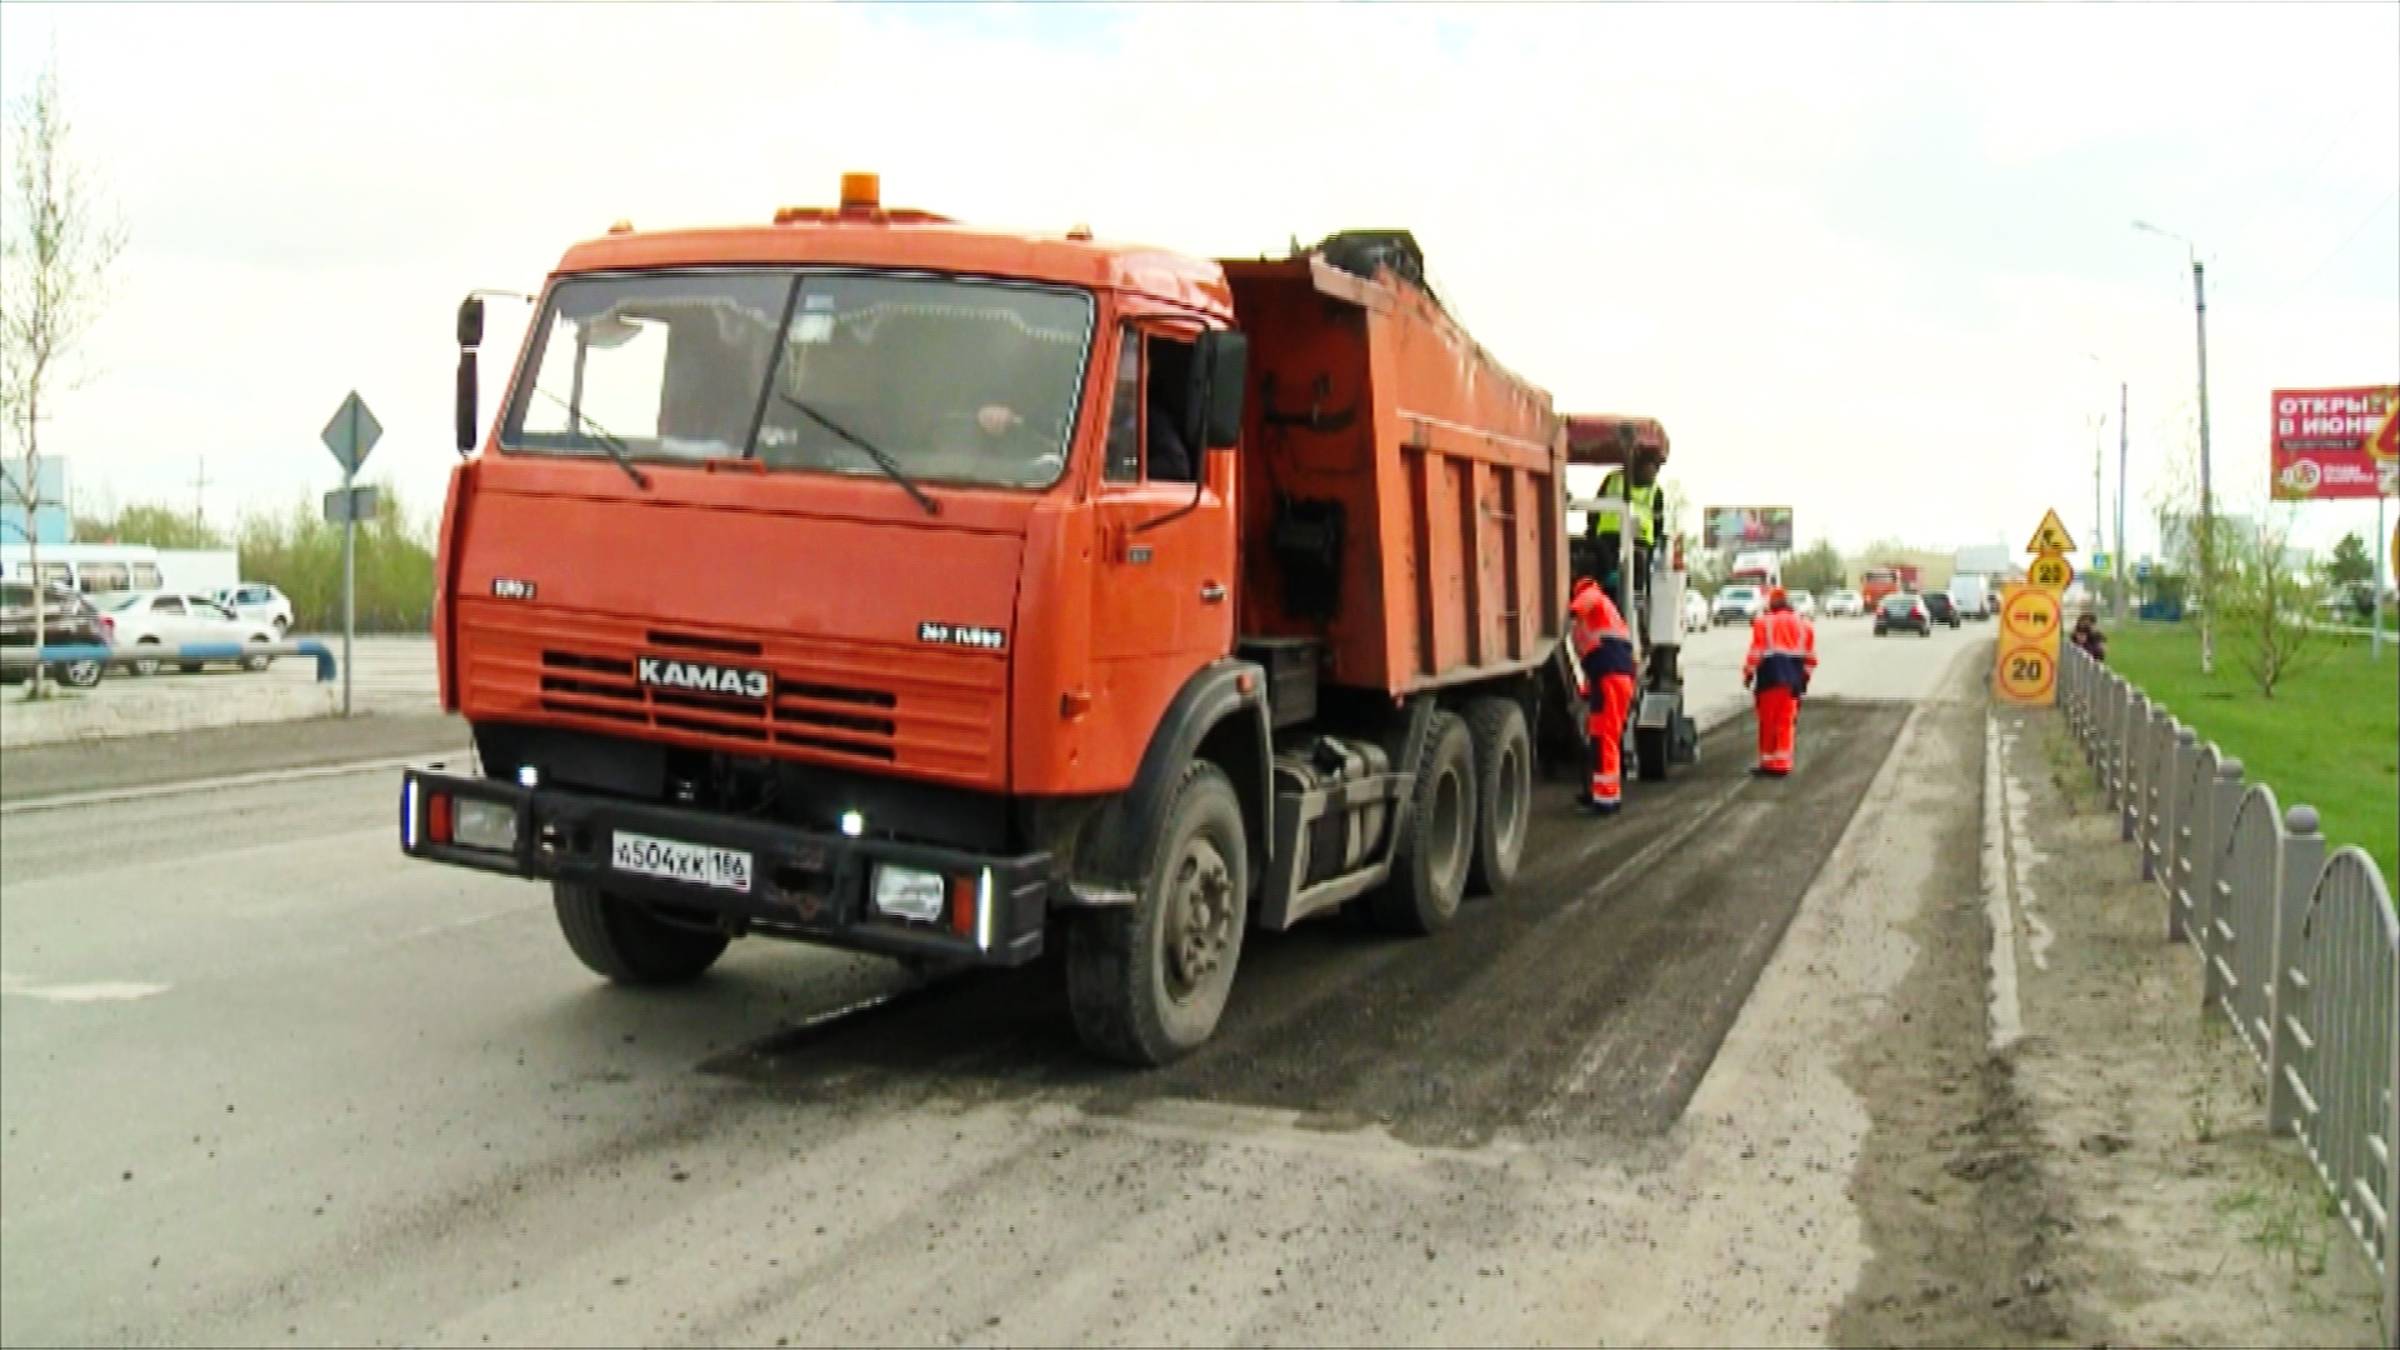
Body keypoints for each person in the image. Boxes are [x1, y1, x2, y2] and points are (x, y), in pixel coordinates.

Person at [1570, 576, 1638, 814]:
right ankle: (1604, 794)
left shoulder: (1593, 595)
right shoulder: (1607, 612)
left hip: (1610, 677)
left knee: (1604, 738)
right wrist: (1587, 689)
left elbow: (1578, 607)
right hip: (1613, 677)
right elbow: (1595, 651)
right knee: (1603, 737)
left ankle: (1606, 800)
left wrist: (1566, 613)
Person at [1742, 586, 1818, 777]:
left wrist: (1748, 673)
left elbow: (1756, 652)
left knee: (1768, 722)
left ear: (1771, 603)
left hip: (1770, 678)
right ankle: (1782, 763)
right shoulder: (1804, 625)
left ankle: (1768, 762)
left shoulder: (1763, 623)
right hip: (1793, 681)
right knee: (1786, 722)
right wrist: (1804, 681)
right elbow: (1810, 659)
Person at [1587, 446, 1666, 602]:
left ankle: (1635, 600)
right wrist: (1591, 532)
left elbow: (1658, 521)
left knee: (1636, 576)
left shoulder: (1656, 491)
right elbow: (1595, 509)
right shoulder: (1613, 480)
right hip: (1610, 537)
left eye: (1656, 468)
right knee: (1606, 572)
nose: (1653, 472)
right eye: (1652, 466)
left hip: (1638, 540)